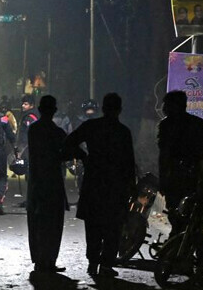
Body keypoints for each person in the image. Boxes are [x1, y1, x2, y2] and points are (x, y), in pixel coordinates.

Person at [63, 93, 135, 277]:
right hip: (115, 185)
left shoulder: (92, 126)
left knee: (93, 225)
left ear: (103, 108)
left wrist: (84, 156)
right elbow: (129, 162)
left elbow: (69, 141)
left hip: (94, 181)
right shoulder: (123, 132)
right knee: (113, 226)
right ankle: (106, 264)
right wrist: (131, 187)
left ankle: (93, 262)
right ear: (119, 110)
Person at [157, 90, 203, 237]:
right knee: (193, 216)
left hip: (177, 178)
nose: (164, 108)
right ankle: (192, 250)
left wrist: (163, 179)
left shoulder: (166, 125)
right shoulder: (199, 124)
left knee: (176, 211)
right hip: (194, 178)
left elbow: (164, 155)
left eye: (167, 105)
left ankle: (178, 243)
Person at [26, 95, 69, 273]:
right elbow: (66, 152)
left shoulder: (33, 130)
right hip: (53, 183)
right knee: (53, 224)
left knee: (36, 222)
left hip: (36, 182)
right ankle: (49, 260)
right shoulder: (58, 133)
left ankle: (39, 260)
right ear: (54, 111)